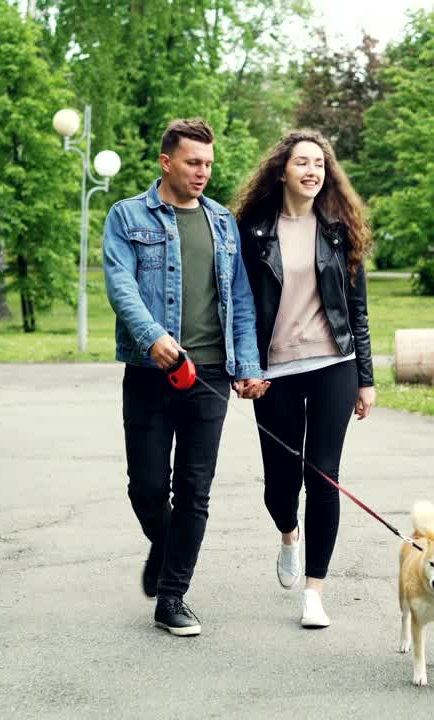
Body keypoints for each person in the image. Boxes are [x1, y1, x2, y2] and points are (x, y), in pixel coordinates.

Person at [103, 118, 268, 637]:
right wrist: (152, 336)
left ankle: (172, 596)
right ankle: (167, 544)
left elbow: (240, 300)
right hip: (149, 370)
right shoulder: (127, 215)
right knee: (146, 486)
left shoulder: (221, 222)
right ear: (166, 162)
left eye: (209, 164)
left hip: (210, 375)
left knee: (195, 489)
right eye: (193, 162)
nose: (203, 172)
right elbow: (120, 283)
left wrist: (248, 366)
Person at [232, 129, 376, 628]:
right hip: (274, 371)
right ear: (282, 171)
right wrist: (244, 367)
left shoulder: (339, 228)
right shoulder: (252, 231)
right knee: (279, 483)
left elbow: (357, 309)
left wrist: (365, 378)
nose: (312, 171)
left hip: (334, 363)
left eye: (319, 163)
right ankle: (288, 534)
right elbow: (238, 306)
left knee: (324, 475)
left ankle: (315, 592)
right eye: (302, 163)